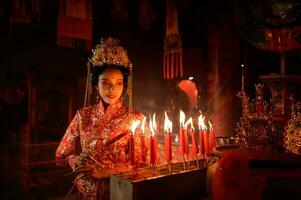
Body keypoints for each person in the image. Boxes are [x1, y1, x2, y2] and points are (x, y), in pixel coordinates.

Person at [55, 37, 145, 200]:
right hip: (86, 193)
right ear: (96, 84)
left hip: (118, 191)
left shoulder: (135, 119)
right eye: (106, 83)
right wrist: (75, 161)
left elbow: (140, 163)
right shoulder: (83, 116)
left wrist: (106, 172)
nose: (112, 89)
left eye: (118, 83)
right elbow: (62, 154)